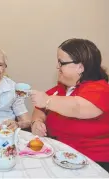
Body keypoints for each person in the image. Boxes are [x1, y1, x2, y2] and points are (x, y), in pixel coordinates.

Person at [30, 38, 109, 172]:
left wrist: (48, 101)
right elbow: (40, 109)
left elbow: (78, 107)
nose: (57, 67)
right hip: (58, 155)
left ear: (80, 67)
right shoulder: (61, 88)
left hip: (92, 162)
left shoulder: (101, 89)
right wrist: (36, 122)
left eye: (61, 63)